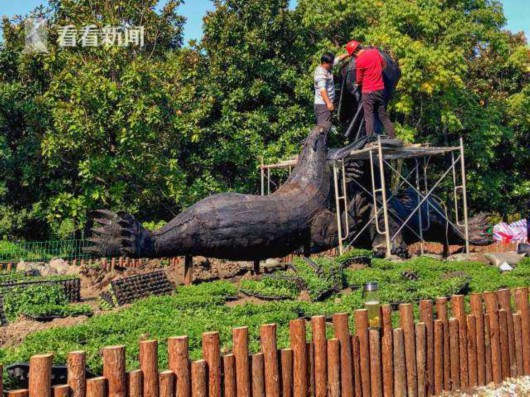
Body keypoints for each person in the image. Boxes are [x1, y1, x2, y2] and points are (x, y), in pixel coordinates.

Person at [345, 40, 396, 139]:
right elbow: (384, 65)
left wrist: (357, 83)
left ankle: (369, 138)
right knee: (383, 115)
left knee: (368, 115)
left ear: (354, 52)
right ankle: (392, 136)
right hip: (380, 90)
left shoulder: (359, 60)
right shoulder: (375, 52)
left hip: (368, 92)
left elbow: (359, 79)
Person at [313, 52, 350, 125]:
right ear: (324, 63)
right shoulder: (321, 74)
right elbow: (322, 90)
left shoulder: (326, 66)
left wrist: (349, 54)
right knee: (323, 127)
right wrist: (329, 103)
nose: (332, 65)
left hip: (326, 104)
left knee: (327, 126)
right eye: (330, 64)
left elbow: (338, 59)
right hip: (323, 105)